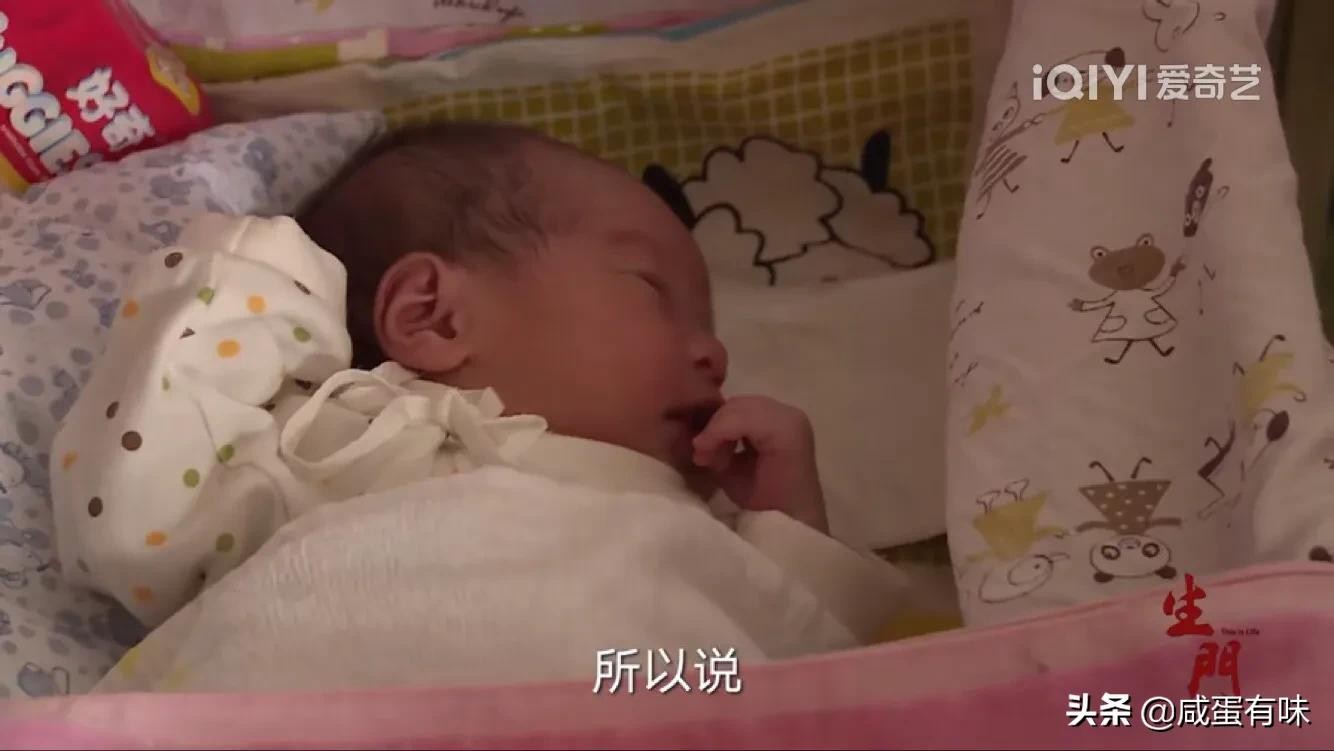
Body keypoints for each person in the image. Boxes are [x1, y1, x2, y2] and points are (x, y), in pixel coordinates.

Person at [51, 122, 904, 693]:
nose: (712, 349)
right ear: (434, 315)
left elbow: (786, 675)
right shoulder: (334, 448)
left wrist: (795, 529)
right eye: (653, 289)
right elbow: (131, 517)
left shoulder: (686, 532)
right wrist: (256, 254)